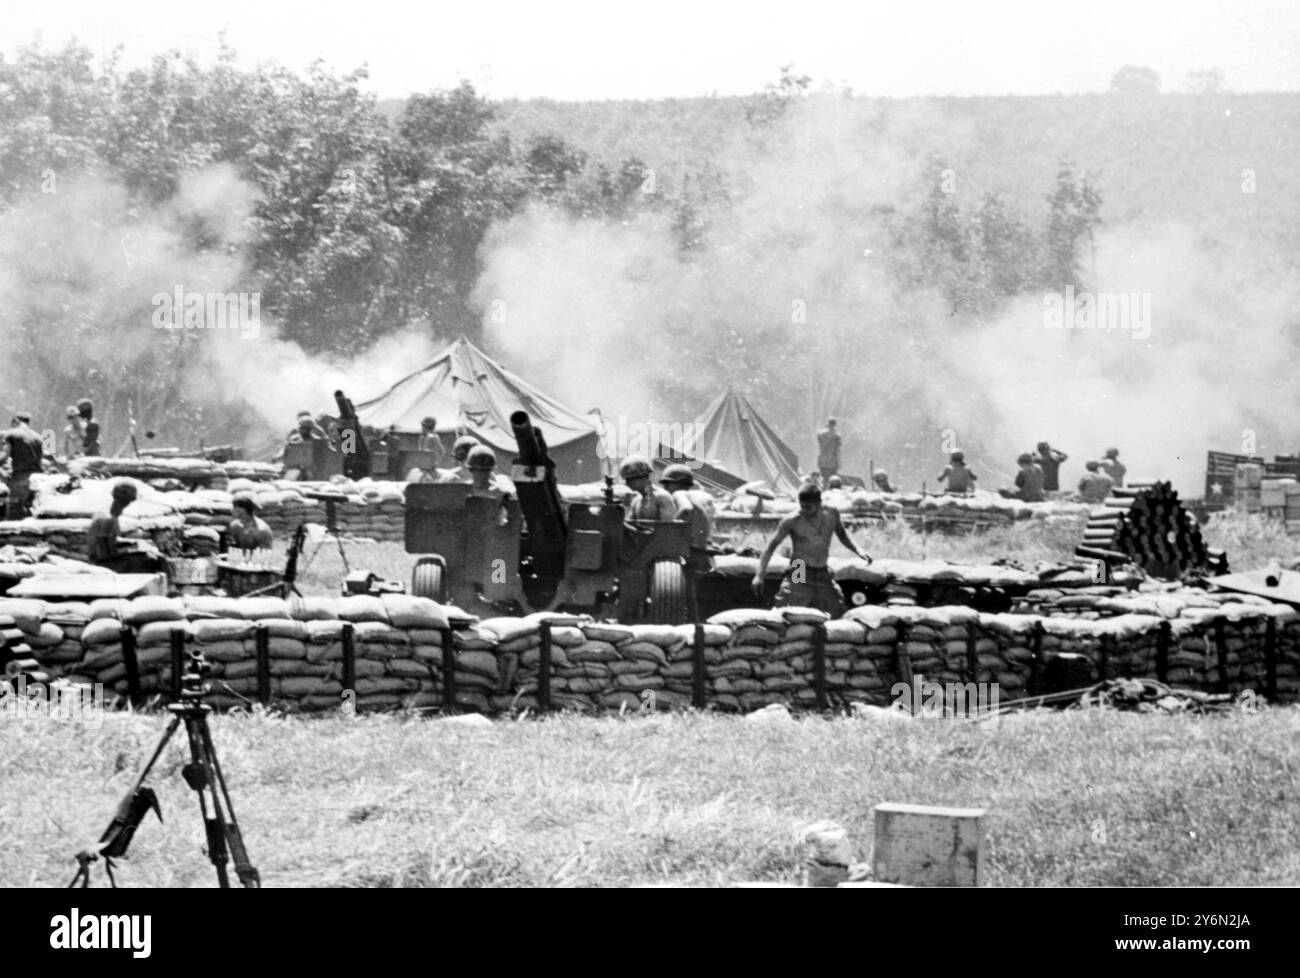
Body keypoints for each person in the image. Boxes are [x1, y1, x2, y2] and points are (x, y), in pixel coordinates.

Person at [751, 482, 871, 616]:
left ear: (819, 503)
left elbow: (843, 536)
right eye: (801, 506)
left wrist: (859, 550)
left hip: (822, 569)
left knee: (837, 609)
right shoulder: (792, 520)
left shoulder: (831, 513)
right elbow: (770, 547)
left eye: (808, 507)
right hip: (799, 567)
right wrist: (759, 575)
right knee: (788, 609)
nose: (803, 510)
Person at [86, 480, 167, 574]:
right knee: (153, 560)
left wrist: (132, 545)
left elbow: (110, 543)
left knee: (152, 557)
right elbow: (104, 551)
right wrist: (129, 549)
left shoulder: (112, 516)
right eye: (127, 501)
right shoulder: (106, 518)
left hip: (107, 559)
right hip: (104, 563)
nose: (128, 504)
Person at [660, 463, 715, 574]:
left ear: (676, 484)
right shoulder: (694, 496)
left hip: (692, 554)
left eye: (667, 484)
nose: (664, 488)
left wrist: (667, 529)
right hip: (700, 552)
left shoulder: (679, 494)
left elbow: (686, 509)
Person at [1, 412, 45, 519]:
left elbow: (4, 457)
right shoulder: (38, 437)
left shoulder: (10, 433)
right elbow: (40, 461)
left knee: (14, 515)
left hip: (20, 480)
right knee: (30, 513)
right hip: (37, 481)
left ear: (16, 421)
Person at [620, 456, 676, 522]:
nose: (627, 484)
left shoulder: (662, 497)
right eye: (627, 480)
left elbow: (667, 528)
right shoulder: (636, 501)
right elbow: (628, 524)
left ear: (643, 477)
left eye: (630, 480)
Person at [816, 418, 841, 483]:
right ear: (835, 425)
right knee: (833, 481)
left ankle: (824, 492)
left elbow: (819, 443)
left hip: (822, 460)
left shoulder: (820, 434)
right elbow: (838, 450)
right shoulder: (837, 435)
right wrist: (839, 462)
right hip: (832, 461)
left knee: (824, 480)